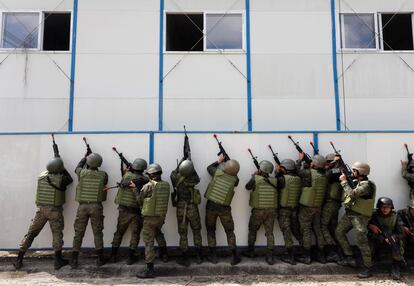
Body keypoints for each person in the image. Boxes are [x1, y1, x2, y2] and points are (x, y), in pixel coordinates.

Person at [14, 157, 73, 270]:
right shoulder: (61, 179)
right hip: (54, 211)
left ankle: (19, 259)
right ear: (59, 168)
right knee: (57, 234)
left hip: (41, 210)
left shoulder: (41, 176)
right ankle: (58, 261)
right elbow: (70, 179)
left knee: (31, 233)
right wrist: (63, 168)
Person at [335, 161, 376, 279]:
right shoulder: (356, 182)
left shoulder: (366, 186)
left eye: (354, 170)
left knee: (361, 241)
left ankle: (368, 267)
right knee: (339, 232)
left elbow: (352, 194)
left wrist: (343, 181)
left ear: (360, 172)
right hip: (351, 214)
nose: (352, 172)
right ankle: (349, 257)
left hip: (361, 217)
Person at [70, 152, 108, 269]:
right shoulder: (104, 175)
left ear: (88, 162)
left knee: (79, 233)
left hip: (82, 207)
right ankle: (100, 258)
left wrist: (84, 157)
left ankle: (74, 259)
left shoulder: (81, 173)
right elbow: (104, 182)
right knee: (97, 232)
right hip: (96, 207)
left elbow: (77, 168)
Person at [110, 158, 149, 264]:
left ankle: (113, 255)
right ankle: (131, 257)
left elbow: (126, 175)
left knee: (119, 232)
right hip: (136, 211)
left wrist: (128, 169)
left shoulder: (126, 176)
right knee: (135, 234)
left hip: (123, 210)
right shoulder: (145, 179)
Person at [205, 155, 242, 265]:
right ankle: (234, 257)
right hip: (224, 208)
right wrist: (231, 166)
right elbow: (236, 177)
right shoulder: (235, 180)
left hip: (211, 205)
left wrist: (219, 161)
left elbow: (209, 168)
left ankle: (213, 256)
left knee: (211, 230)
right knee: (229, 231)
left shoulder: (217, 172)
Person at [135, 163, 170, 279]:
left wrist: (135, 190)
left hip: (149, 218)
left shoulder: (148, 186)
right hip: (160, 218)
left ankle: (150, 270)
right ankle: (165, 254)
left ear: (152, 174)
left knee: (149, 243)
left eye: (149, 174)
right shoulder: (166, 185)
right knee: (159, 233)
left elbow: (139, 201)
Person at [244, 160, 278, 265]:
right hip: (271, 211)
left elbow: (247, 187)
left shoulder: (255, 178)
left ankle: (250, 251)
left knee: (252, 230)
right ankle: (270, 256)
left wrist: (254, 175)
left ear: (261, 169)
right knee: (269, 233)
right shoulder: (275, 181)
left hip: (258, 210)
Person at [170, 159, 203, 266]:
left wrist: (182, 161)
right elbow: (197, 177)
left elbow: (173, 173)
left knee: (183, 233)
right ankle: (199, 257)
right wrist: (190, 164)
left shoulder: (175, 178)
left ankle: (185, 257)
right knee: (196, 231)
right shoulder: (193, 179)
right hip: (192, 207)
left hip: (181, 207)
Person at [296, 154, 328, 264]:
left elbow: (298, 172)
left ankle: (307, 256)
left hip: (307, 207)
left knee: (306, 230)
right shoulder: (324, 175)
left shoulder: (309, 172)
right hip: (318, 206)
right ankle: (322, 255)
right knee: (318, 230)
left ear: (314, 164)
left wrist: (299, 161)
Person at [368, 197, 405, 280]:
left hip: (390, 239)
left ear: (391, 208)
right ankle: (368, 266)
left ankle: (396, 266)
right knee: (370, 245)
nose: (385, 209)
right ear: (379, 207)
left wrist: (394, 237)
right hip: (377, 238)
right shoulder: (373, 215)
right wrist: (370, 226)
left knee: (397, 245)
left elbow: (401, 233)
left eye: (388, 207)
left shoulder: (396, 217)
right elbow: (364, 225)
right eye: (383, 207)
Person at [276, 159, 303, 265]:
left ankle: (290, 256)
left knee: (286, 232)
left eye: (282, 168)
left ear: (285, 169)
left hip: (284, 211)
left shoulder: (282, 179)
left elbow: (275, 183)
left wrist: (277, 172)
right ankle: (306, 251)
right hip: (295, 210)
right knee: (296, 231)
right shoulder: (298, 178)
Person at [321, 153, 342, 262]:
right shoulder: (339, 171)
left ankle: (332, 251)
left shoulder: (337, 171)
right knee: (332, 227)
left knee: (323, 226)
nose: (327, 164)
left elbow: (326, 176)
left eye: (329, 162)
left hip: (331, 203)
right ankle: (338, 251)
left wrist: (327, 167)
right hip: (335, 203)